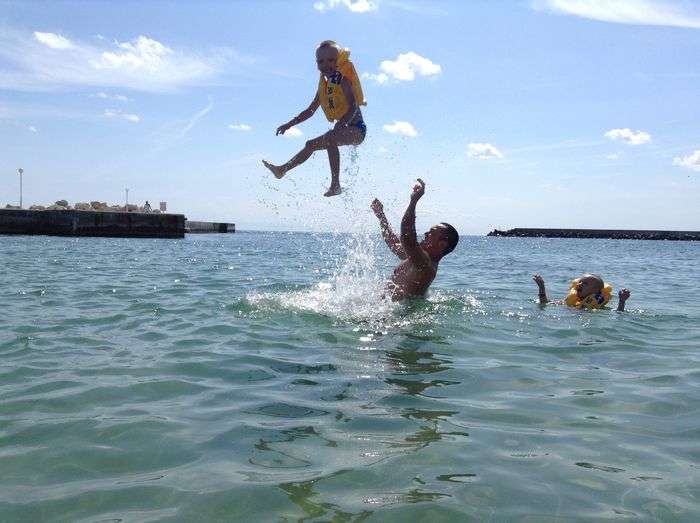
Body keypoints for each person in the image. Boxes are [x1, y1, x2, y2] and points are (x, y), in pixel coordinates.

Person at [262, 40, 367, 197]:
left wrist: (343, 122)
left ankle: (335, 185)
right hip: (343, 129)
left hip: (357, 129)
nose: (325, 64)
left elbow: (353, 106)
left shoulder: (342, 80)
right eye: (321, 61)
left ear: (338, 61)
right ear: (317, 63)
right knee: (310, 145)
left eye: (331, 60)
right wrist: (290, 124)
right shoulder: (324, 87)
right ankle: (281, 170)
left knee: (330, 138)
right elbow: (311, 110)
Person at [371, 179, 459, 300]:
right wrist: (381, 216)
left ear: (441, 244)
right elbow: (395, 243)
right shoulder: (417, 259)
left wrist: (413, 201)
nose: (426, 233)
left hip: (393, 318)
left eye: (431, 233)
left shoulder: (425, 266)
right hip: (384, 313)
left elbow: (407, 238)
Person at [533, 273, 631, 311]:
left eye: (585, 284)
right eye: (579, 282)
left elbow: (618, 313)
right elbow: (544, 304)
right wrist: (542, 287)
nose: (579, 284)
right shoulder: (567, 302)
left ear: (596, 291)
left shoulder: (599, 307)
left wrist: (622, 302)